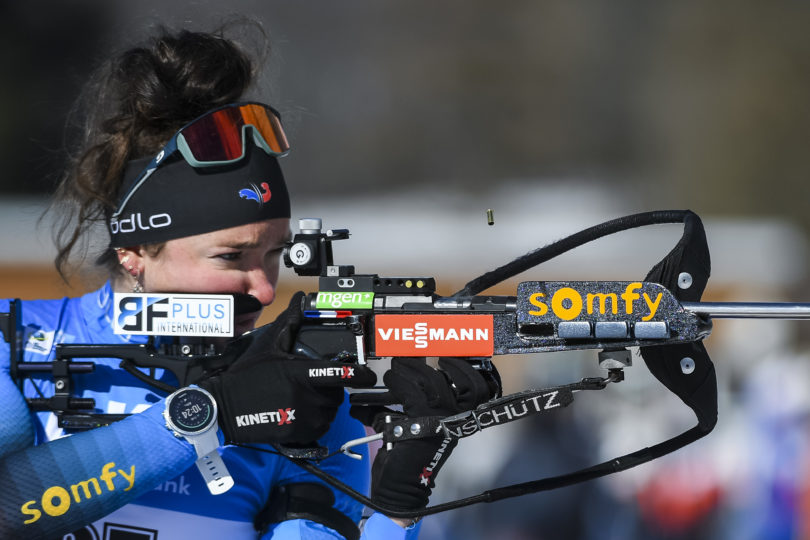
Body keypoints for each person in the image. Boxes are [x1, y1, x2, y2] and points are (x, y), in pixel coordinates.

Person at [0, 26, 491, 539]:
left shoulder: (305, 404)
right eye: (230, 257)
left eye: (275, 254)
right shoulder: (15, 342)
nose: (263, 290)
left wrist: (395, 508)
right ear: (135, 250)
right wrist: (207, 416)